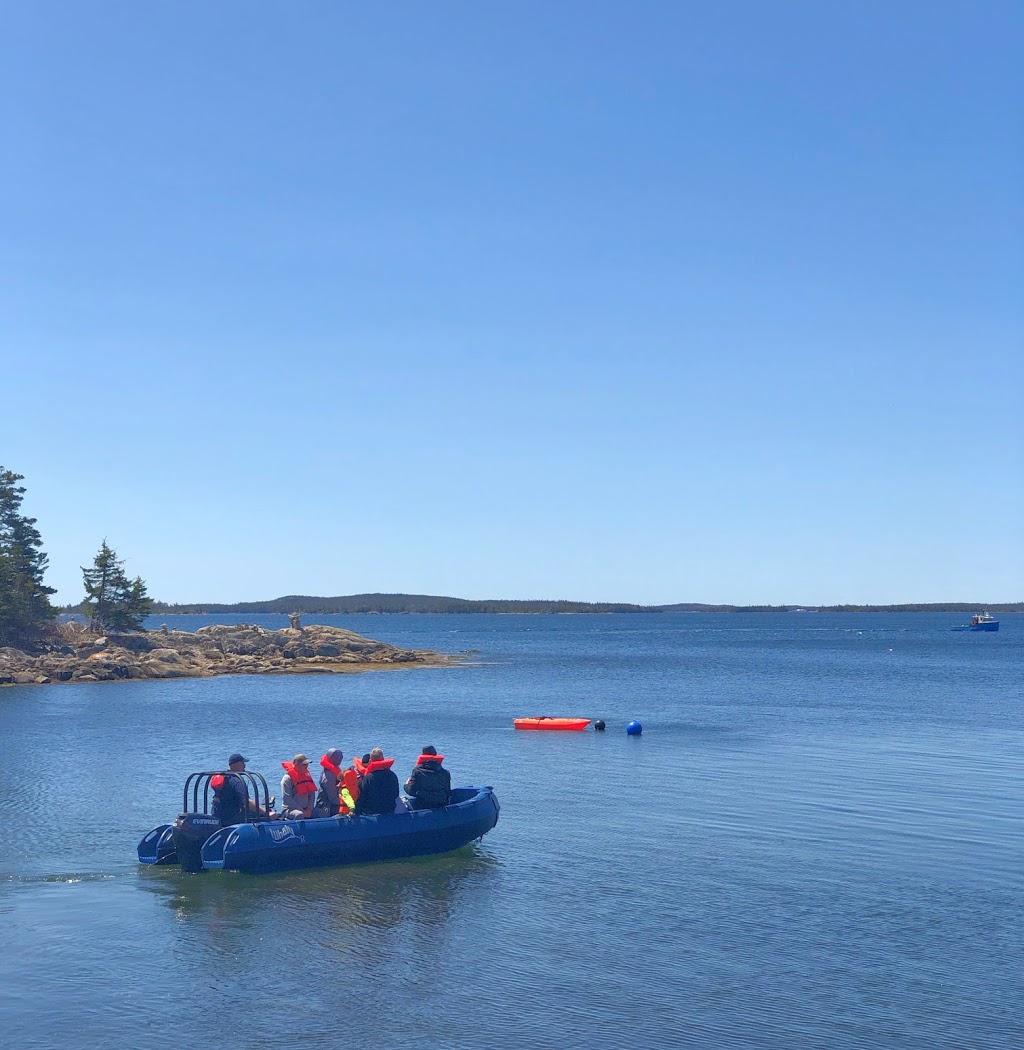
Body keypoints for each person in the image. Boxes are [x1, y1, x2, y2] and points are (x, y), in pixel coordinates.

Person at [211, 752, 271, 826]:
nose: (245, 766)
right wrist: (266, 812)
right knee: (257, 814)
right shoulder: (236, 781)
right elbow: (247, 802)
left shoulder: (224, 777)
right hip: (231, 819)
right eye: (243, 763)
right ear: (237, 764)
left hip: (218, 817)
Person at [355, 746, 400, 816]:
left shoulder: (368, 778)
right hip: (389, 810)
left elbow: (363, 798)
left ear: (370, 761)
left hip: (372, 813)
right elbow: (396, 794)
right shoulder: (392, 775)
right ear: (383, 759)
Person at [404, 745, 452, 810]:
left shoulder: (417, 771)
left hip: (423, 807)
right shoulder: (445, 773)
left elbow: (411, 791)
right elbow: (448, 793)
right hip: (441, 805)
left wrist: (406, 785)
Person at [280, 753, 317, 819]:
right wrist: (301, 810)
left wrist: (309, 809)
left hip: (306, 809)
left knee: (322, 813)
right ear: (296, 765)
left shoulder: (307, 777)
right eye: (304, 765)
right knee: (299, 815)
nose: (307, 766)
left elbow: (312, 795)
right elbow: (287, 800)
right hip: (290, 809)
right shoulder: (287, 779)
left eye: (307, 764)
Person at [315, 748, 345, 817]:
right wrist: (344, 804)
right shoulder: (329, 776)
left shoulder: (334, 771)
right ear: (332, 758)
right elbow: (332, 797)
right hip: (327, 807)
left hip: (333, 803)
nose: (340, 760)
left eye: (341, 757)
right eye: (338, 757)